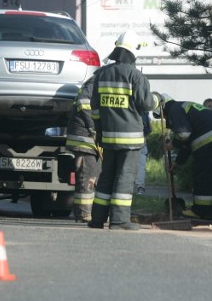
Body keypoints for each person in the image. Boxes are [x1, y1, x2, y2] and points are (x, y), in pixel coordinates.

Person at [88, 30, 160, 230]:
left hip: (108, 137)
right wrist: (158, 99)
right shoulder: (136, 76)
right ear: (134, 52)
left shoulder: (102, 74)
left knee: (107, 177)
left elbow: (94, 108)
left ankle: (97, 219)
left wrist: (100, 131)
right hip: (131, 139)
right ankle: (119, 221)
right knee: (125, 177)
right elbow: (146, 104)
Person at [154, 97, 212, 220]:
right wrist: (177, 163)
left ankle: (200, 211)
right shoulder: (184, 106)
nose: (165, 119)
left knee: (202, 176)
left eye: (163, 117)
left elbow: (183, 135)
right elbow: (187, 143)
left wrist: (171, 145)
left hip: (207, 141)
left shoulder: (175, 110)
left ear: (163, 110)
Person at [65, 74, 101, 223]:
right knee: (88, 175)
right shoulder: (96, 81)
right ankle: (84, 213)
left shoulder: (99, 81)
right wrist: (93, 127)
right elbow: (84, 102)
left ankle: (85, 212)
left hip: (90, 137)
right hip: (84, 137)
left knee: (93, 175)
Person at [134, 111, 151, 195]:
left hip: (124, 136)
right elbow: (148, 128)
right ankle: (140, 187)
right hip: (141, 137)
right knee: (141, 164)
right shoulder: (144, 108)